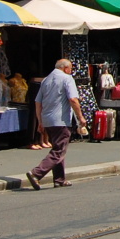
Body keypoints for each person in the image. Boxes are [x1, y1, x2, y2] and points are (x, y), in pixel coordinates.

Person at [25, 59, 87, 190]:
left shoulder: (45, 80)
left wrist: (40, 121)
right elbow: (73, 100)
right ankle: (36, 173)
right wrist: (81, 117)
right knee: (58, 151)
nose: (71, 71)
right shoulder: (67, 78)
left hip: (48, 120)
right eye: (70, 68)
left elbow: (38, 103)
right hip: (61, 120)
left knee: (58, 148)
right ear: (65, 68)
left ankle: (59, 179)